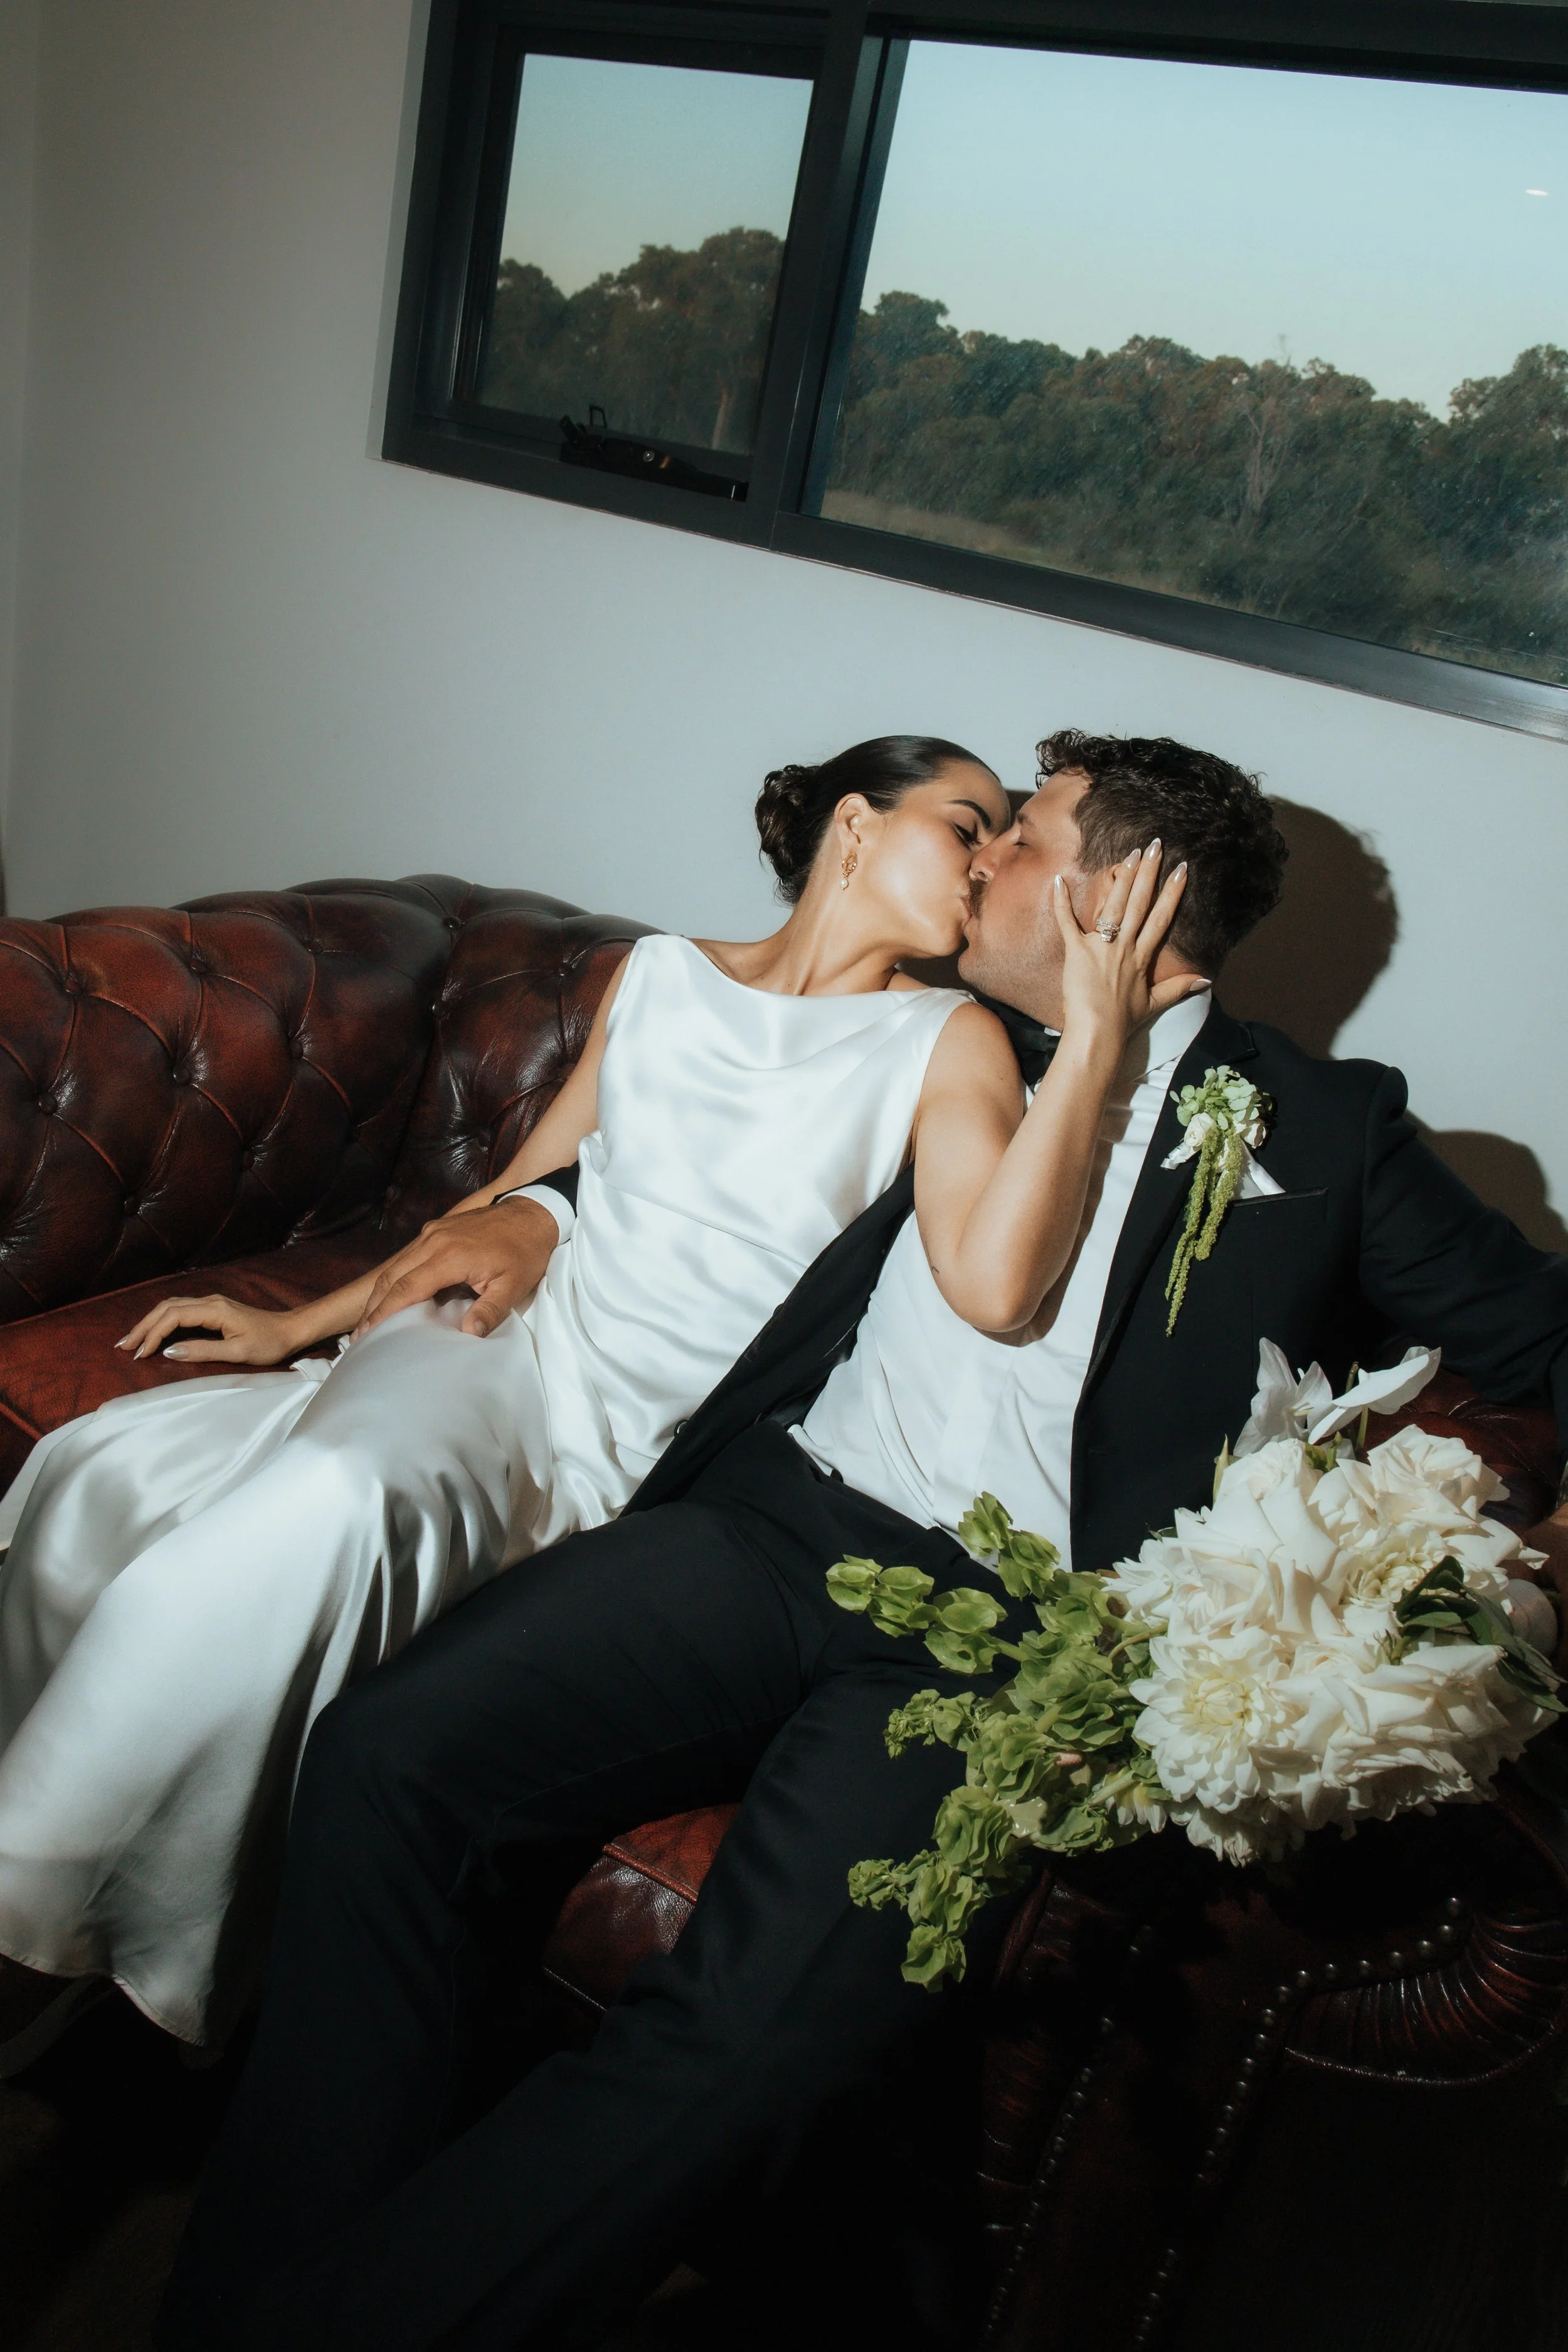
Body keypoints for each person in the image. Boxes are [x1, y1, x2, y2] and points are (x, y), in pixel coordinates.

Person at [159, 729, 1568, 2352]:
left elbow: (1540, 1335)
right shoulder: (936, 1040)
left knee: (767, 2036)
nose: (979, 868)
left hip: (987, 1639)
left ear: (1119, 893)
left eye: (1020, 840)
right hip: (773, 1522)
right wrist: (526, 1211)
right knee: (390, 1760)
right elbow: (682, 1142)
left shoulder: (1320, 1129)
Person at [0, 731, 1184, 2065]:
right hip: (493, 1349)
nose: (984, 863)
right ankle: (20, 1917)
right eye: (965, 823)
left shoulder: (948, 1038)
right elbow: (509, 1194)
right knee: (337, 1496)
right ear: (854, 824)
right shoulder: (661, 979)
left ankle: (105, 1940)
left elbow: (994, 1284)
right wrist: (306, 1321)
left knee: (249, 1521)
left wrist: (1093, 1035)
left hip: (639, 1454)